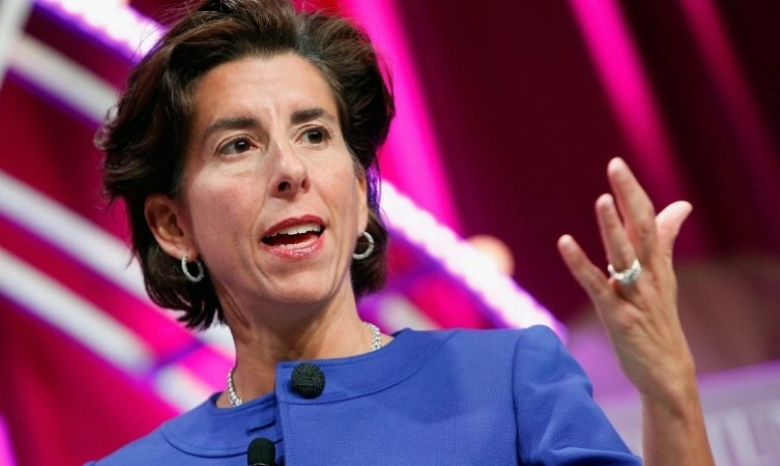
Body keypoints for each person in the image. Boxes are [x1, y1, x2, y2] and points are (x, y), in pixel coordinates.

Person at [88, 0, 714, 464]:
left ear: (360, 194)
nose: (290, 170)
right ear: (173, 226)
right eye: (239, 144)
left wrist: (670, 391)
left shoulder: (507, 382)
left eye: (314, 134)